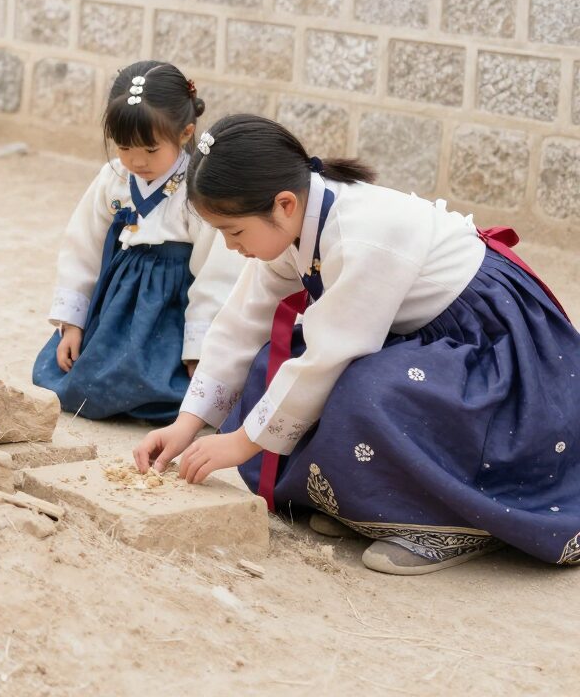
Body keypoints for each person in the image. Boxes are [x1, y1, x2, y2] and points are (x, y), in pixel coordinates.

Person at [134, 114, 580, 574]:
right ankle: (374, 509)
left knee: (361, 390)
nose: (231, 247)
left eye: (234, 232)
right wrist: (187, 423)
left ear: (283, 204)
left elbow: (333, 355)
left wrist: (243, 441)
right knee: (276, 361)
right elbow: (243, 321)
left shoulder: (360, 232)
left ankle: (450, 525)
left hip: (490, 346)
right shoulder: (296, 217)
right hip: (420, 335)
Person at [31, 61, 241, 422]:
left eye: (150, 149)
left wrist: (198, 348)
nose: (136, 160)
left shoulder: (198, 191)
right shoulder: (111, 178)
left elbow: (214, 273)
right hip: (114, 302)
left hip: (171, 307)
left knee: (167, 392)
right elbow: (82, 246)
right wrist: (73, 323)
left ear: (185, 132)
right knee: (78, 382)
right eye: (125, 148)